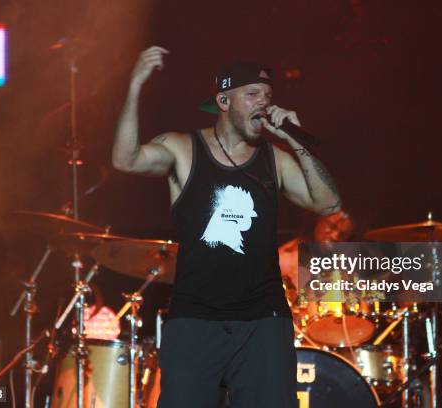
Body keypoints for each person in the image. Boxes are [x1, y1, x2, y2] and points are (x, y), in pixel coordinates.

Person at [113, 46, 343, 408]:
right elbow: (125, 160)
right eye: (252, 94)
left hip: (263, 321)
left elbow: (329, 204)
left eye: (268, 96)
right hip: (195, 319)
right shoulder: (183, 148)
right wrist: (135, 86)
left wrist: (298, 142)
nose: (263, 104)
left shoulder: (275, 159)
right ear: (223, 100)